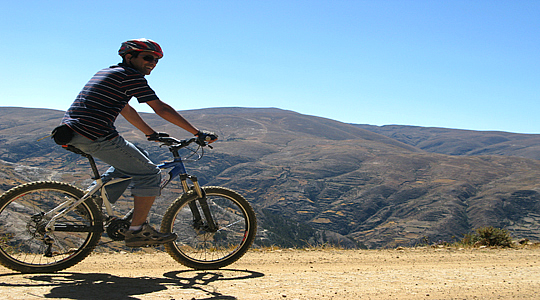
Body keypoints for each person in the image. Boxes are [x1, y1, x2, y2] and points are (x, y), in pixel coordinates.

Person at [59, 38, 217, 247]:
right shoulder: (130, 76)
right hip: (95, 134)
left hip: (74, 132)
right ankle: (137, 230)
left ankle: (92, 202)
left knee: (138, 154)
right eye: (148, 57)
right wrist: (197, 133)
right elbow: (160, 108)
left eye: (156, 60)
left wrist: (150, 134)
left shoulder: (109, 73)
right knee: (150, 173)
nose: (152, 62)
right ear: (129, 57)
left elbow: (126, 109)